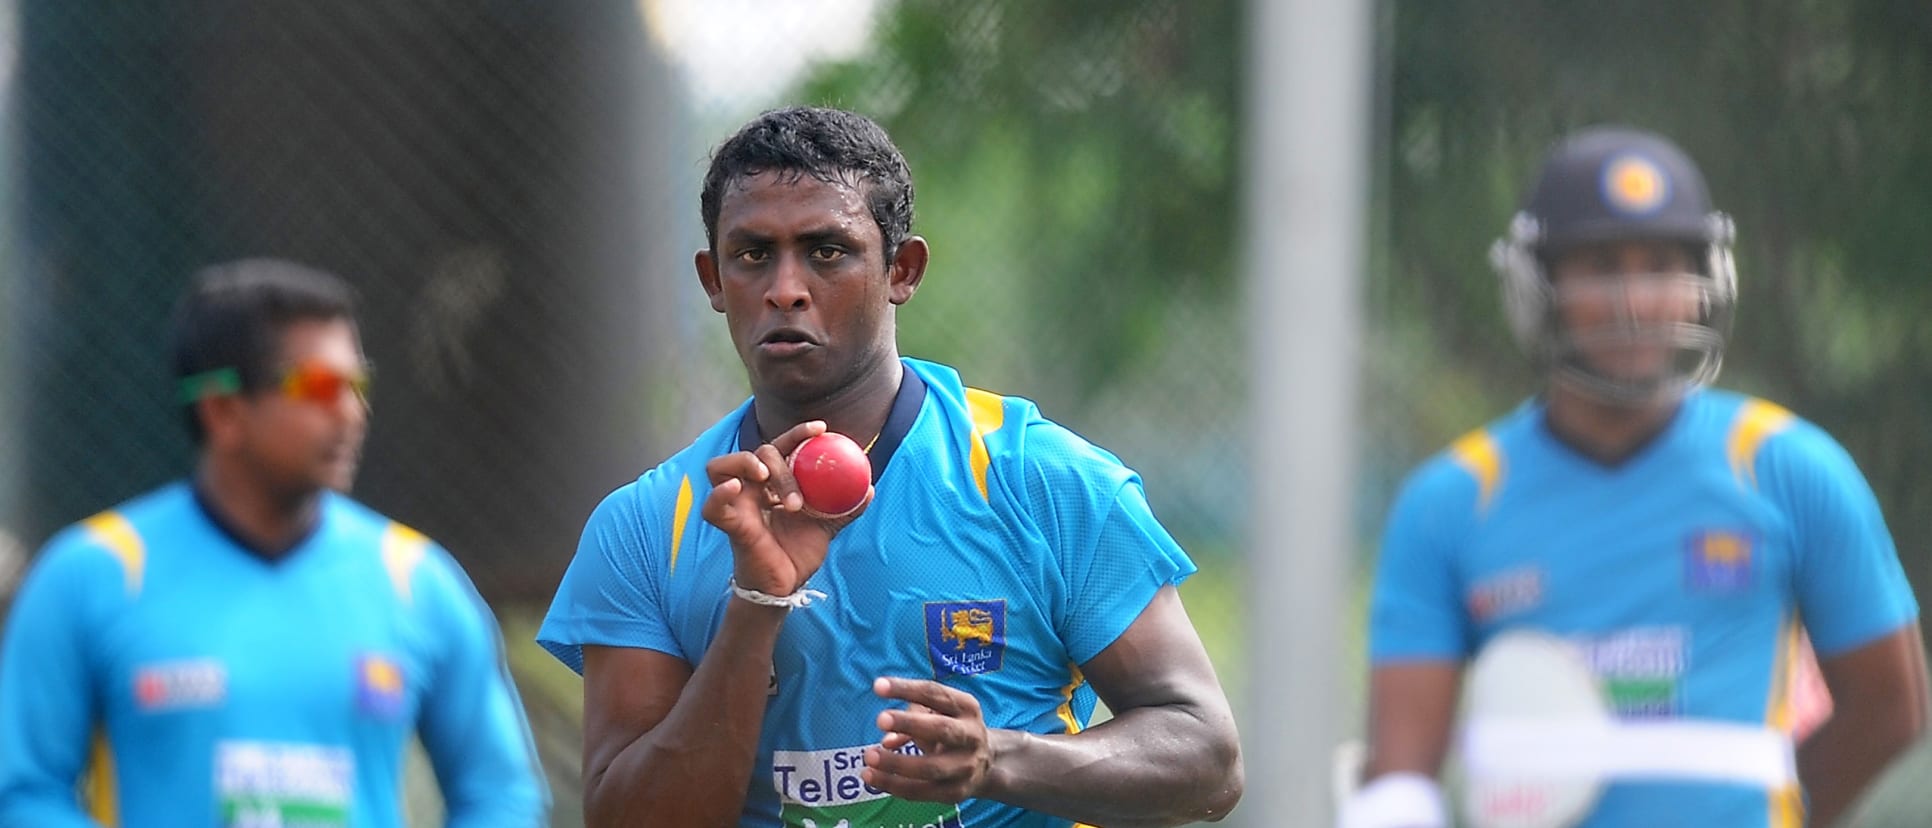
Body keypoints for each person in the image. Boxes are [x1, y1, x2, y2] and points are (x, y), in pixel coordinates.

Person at [537, 106, 1243, 827]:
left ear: (902, 270)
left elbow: (1207, 759)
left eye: (827, 251)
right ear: (714, 280)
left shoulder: (1043, 481)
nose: (786, 287)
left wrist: (997, 761)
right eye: (753, 255)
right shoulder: (648, 526)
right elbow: (630, 819)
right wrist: (754, 607)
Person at [1350, 126, 1929, 827]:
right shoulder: (1451, 501)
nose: (1635, 301)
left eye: (1662, 267)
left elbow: (1891, 712)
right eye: (1600, 267)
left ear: (1707, 285)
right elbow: (1400, 778)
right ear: (1538, 287)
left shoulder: (1788, 467)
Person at [0, 259, 548, 826]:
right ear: (223, 411)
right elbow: (25, 794)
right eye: (319, 386)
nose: (353, 412)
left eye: (358, 383)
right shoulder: (94, 574)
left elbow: (500, 794)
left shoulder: (413, 580)